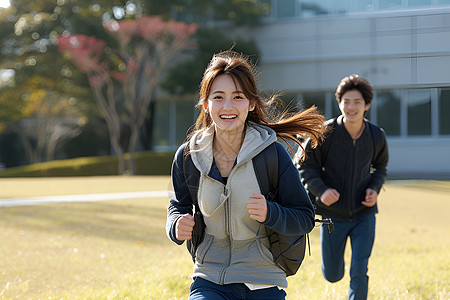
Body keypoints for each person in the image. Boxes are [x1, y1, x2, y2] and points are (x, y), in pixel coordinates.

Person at [165, 50, 326, 300]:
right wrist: (175, 225)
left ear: (251, 104)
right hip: (210, 278)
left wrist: (271, 213)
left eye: (237, 97)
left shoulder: (272, 155)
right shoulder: (189, 157)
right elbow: (177, 206)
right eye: (218, 97)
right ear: (206, 104)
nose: (227, 106)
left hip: (263, 280)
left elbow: (304, 218)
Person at [296, 74, 389, 300]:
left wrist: (374, 189)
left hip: (363, 216)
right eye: (346, 101)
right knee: (333, 275)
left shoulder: (376, 136)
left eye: (357, 102)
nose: (351, 107)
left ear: (367, 105)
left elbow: (380, 168)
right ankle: (332, 269)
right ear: (339, 103)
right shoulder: (325, 133)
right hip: (332, 217)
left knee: (359, 270)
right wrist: (321, 190)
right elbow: (305, 166)